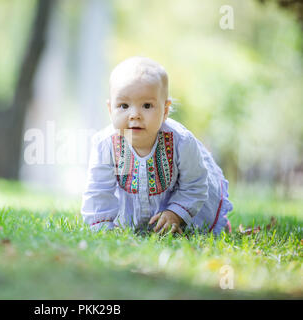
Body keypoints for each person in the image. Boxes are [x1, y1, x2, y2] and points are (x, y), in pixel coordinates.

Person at [81, 56, 233, 235]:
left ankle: (212, 223)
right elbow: (98, 191)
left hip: (178, 205)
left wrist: (175, 213)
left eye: (146, 105)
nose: (134, 115)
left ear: (165, 110)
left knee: (199, 228)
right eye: (123, 106)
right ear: (110, 109)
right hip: (131, 211)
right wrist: (102, 228)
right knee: (129, 228)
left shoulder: (181, 142)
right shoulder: (105, 145)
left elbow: (194, 184)